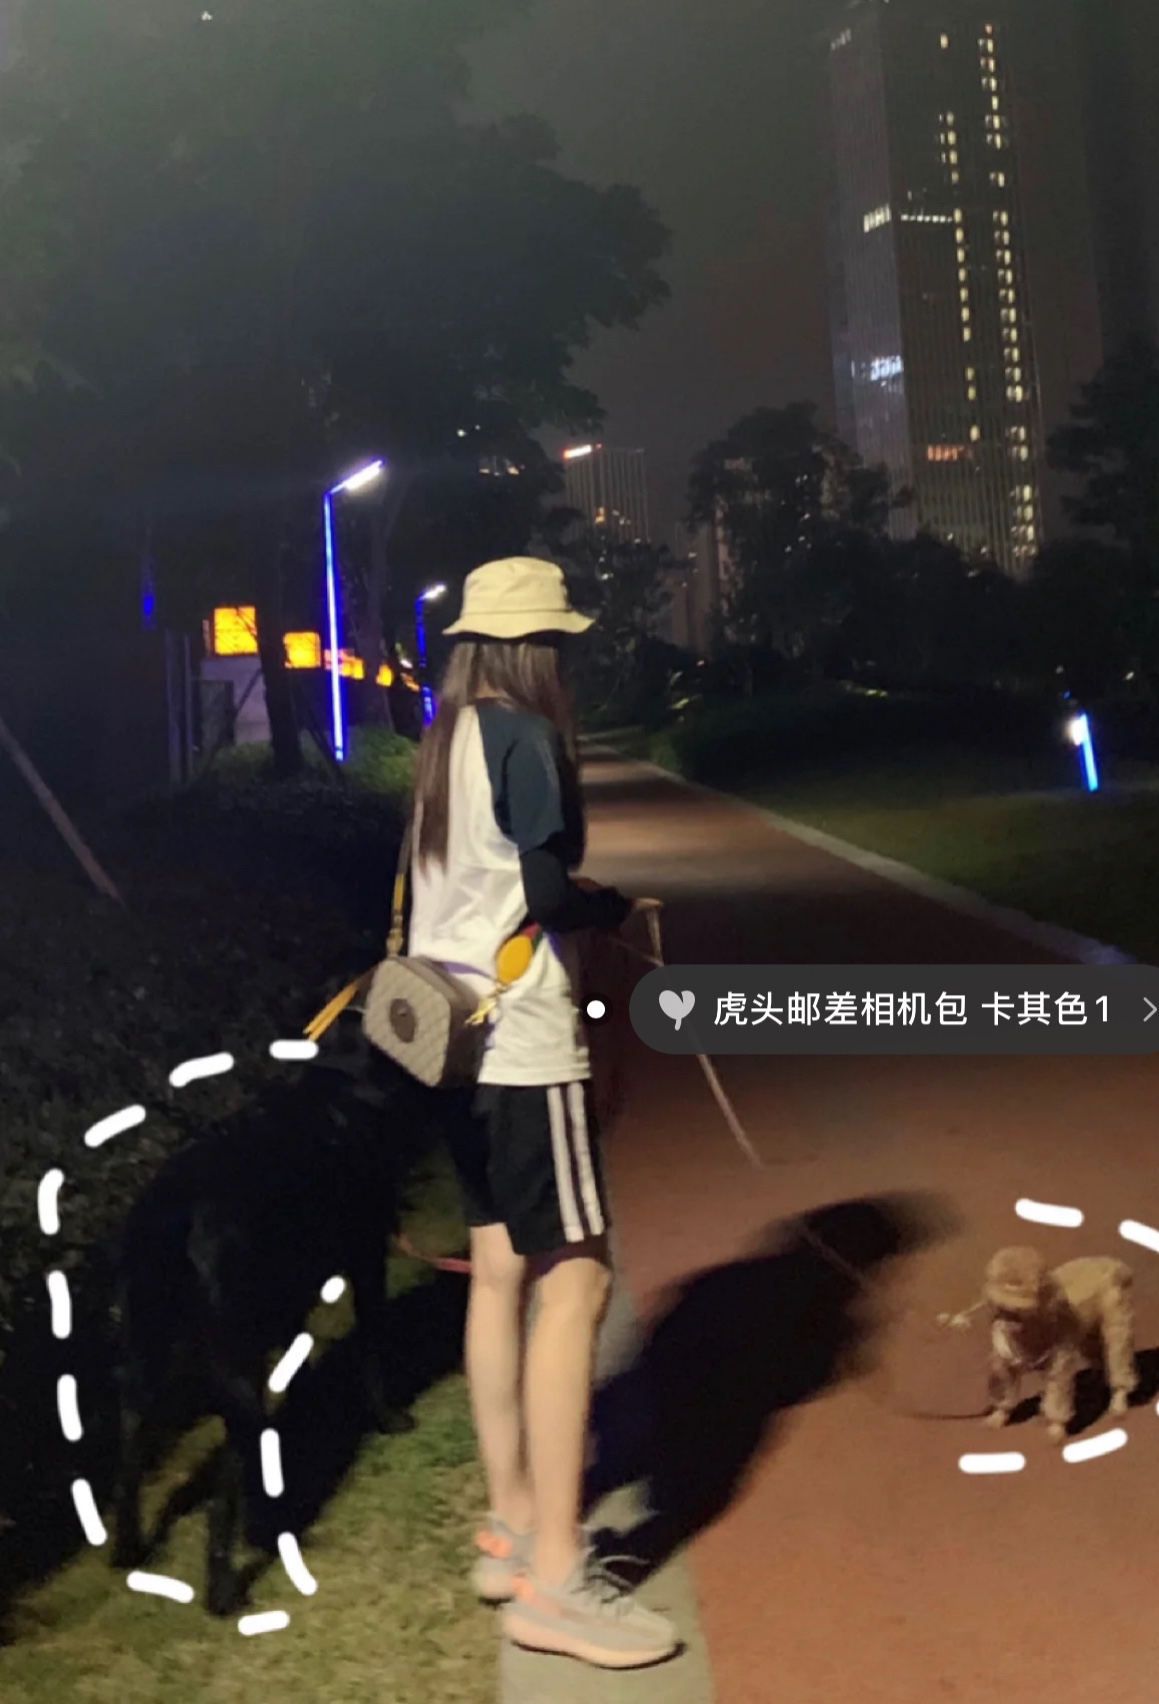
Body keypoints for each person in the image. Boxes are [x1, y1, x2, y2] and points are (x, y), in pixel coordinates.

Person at [408, 556, 679, 1670]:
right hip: (520, 1039)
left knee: (497, 1269)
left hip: (445, 1037)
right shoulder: (525, 737)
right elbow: (549, 890)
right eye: (558, 645)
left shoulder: (443, 740)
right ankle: (558, 1580)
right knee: (577, 1283)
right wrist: (612, 910)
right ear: (535, 650)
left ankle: (511, 1524)